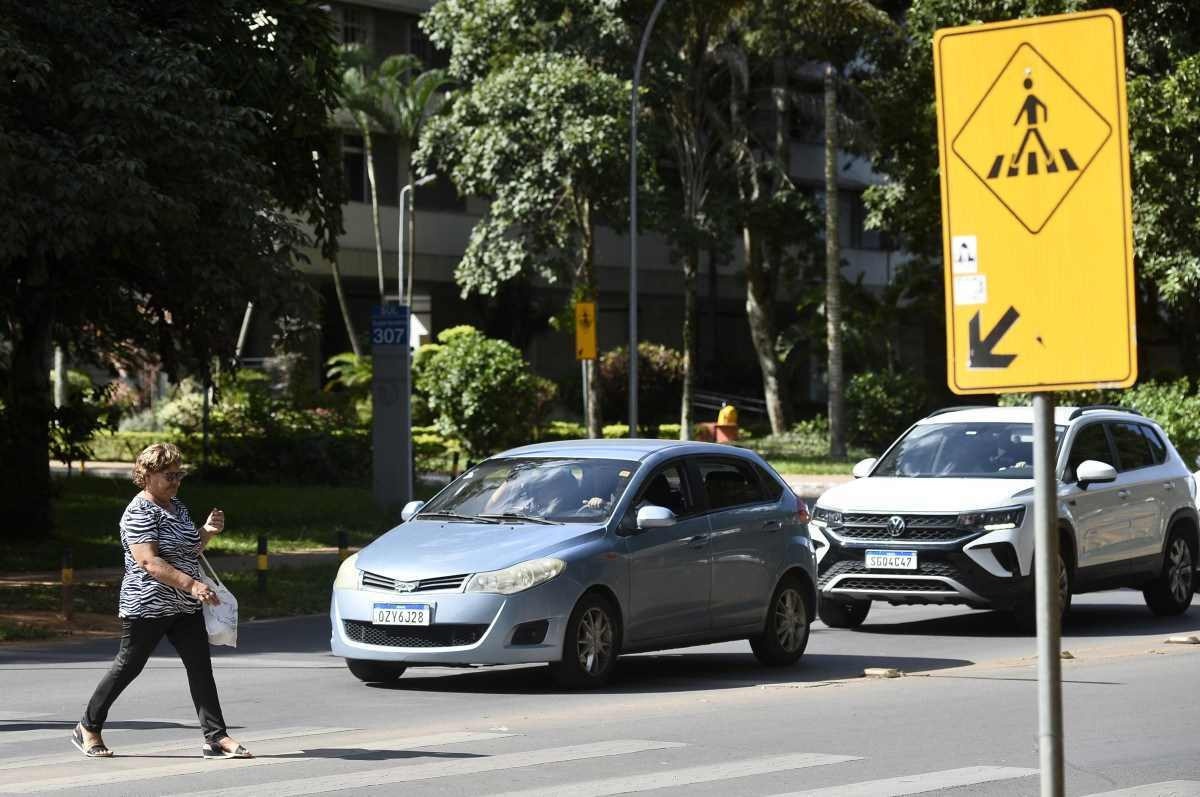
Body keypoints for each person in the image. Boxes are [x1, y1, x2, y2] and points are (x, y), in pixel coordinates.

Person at [73, 443, 252, 760]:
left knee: (200, 668)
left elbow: (188, 548)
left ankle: (216, 737)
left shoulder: (177, 507)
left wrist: (207, 531)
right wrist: (193, 585)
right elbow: (149, 562)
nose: (176, 481)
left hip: (184, 605)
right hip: (148, 604)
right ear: (147, 475)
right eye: (169, 476)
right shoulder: (138, 512)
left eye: (179, 475)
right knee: (128, 666)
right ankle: (87, 726)